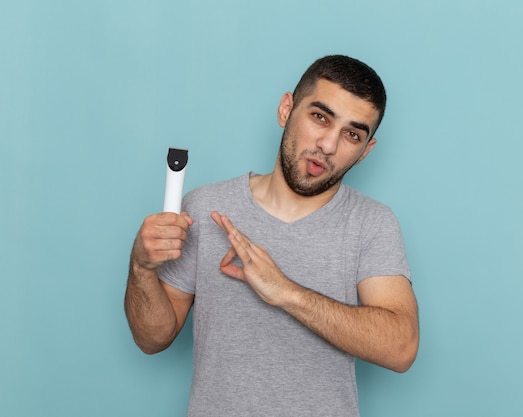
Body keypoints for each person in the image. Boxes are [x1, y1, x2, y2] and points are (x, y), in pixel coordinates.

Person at [125, 54, 419, 417]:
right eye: (320, 117)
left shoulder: (372, 223)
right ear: (286, 109)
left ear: (365, 152)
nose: (328, 145)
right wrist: (140, 267)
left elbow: (401, 347)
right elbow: (152, 338)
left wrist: (286, 292)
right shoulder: (205, 206)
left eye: (352, 134)